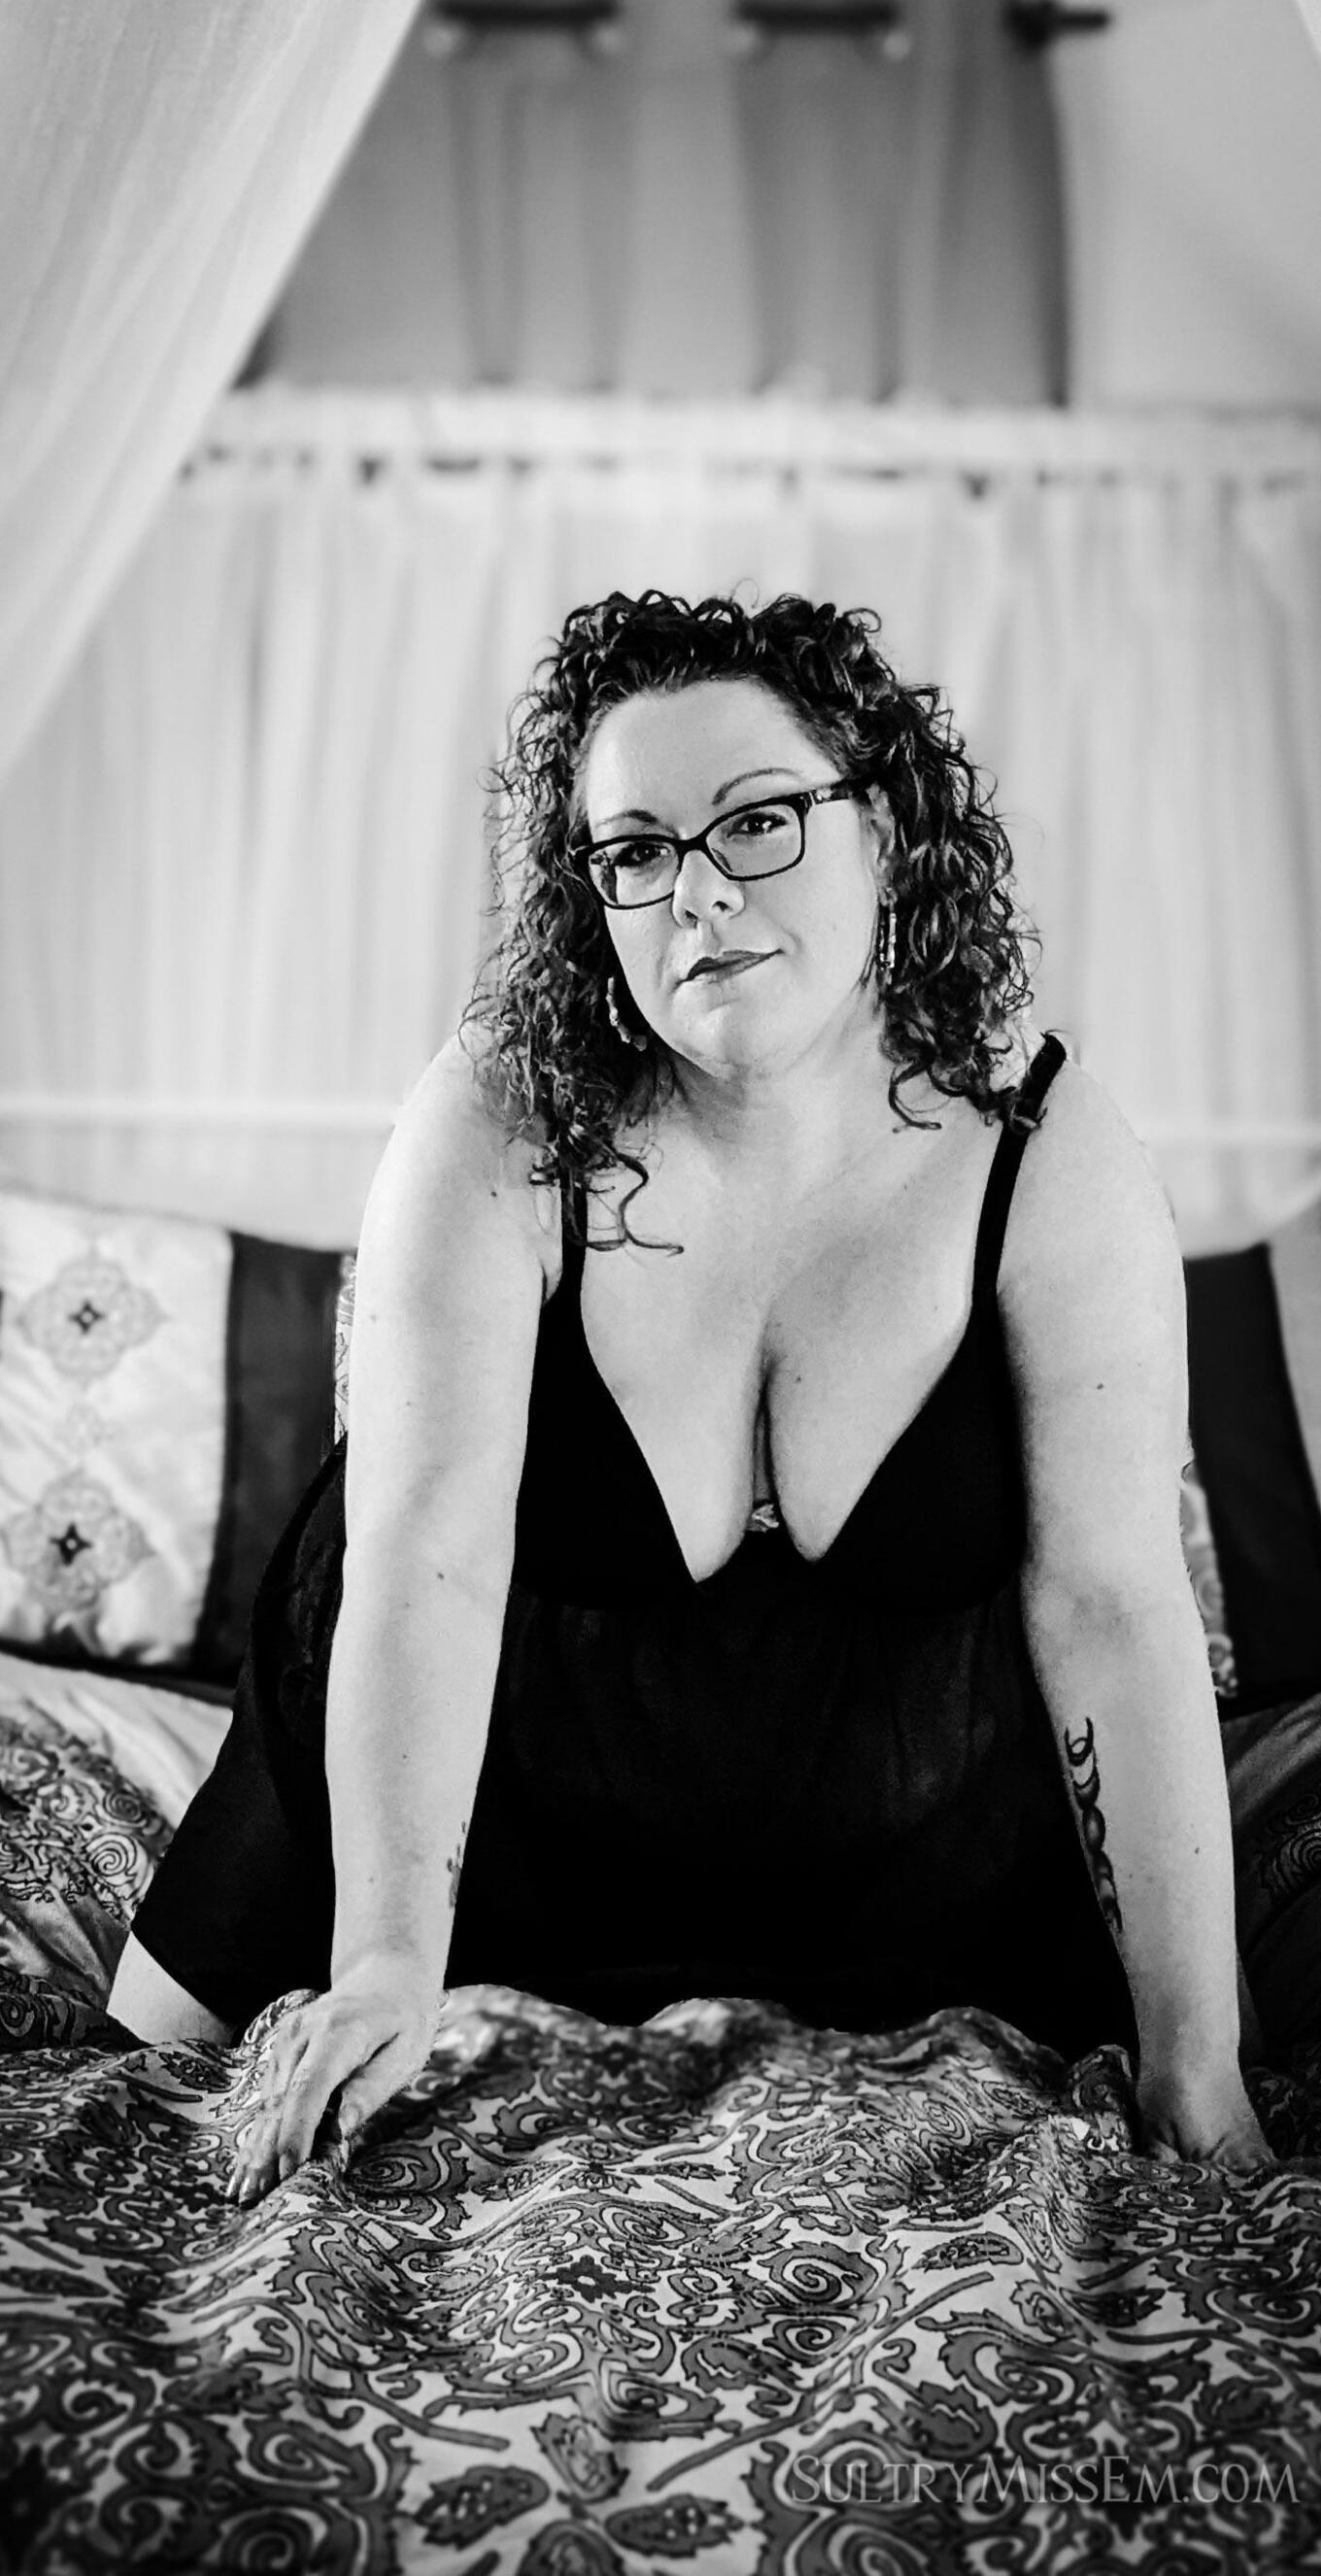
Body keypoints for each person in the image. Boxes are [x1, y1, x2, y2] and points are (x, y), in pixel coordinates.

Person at [109, 589, 1271, 2194]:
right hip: (495, 1820)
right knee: (143, 2108)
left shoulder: (1042, 1144)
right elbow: (429, 1556)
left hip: (902, 1850)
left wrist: (1198, 2052)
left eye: (759, 821)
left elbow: (1114, 1602)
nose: (700, 892)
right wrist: (382, 1962)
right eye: (638, 850)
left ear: (890, 830)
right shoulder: (502, 1120)